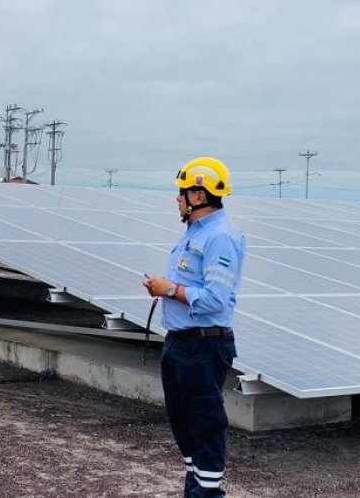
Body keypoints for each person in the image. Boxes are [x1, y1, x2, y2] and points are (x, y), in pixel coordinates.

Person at [142, 157, 245, 498]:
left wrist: (169, 289)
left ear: (199, 195)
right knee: (184, 426)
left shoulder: (220, 237)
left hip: (203, 347)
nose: (177, 199)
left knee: (204, 425)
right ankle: (195, 490)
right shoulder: (194, 234)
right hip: (181, 345)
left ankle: (209, 494)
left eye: (182, 192)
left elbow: (216, 299)